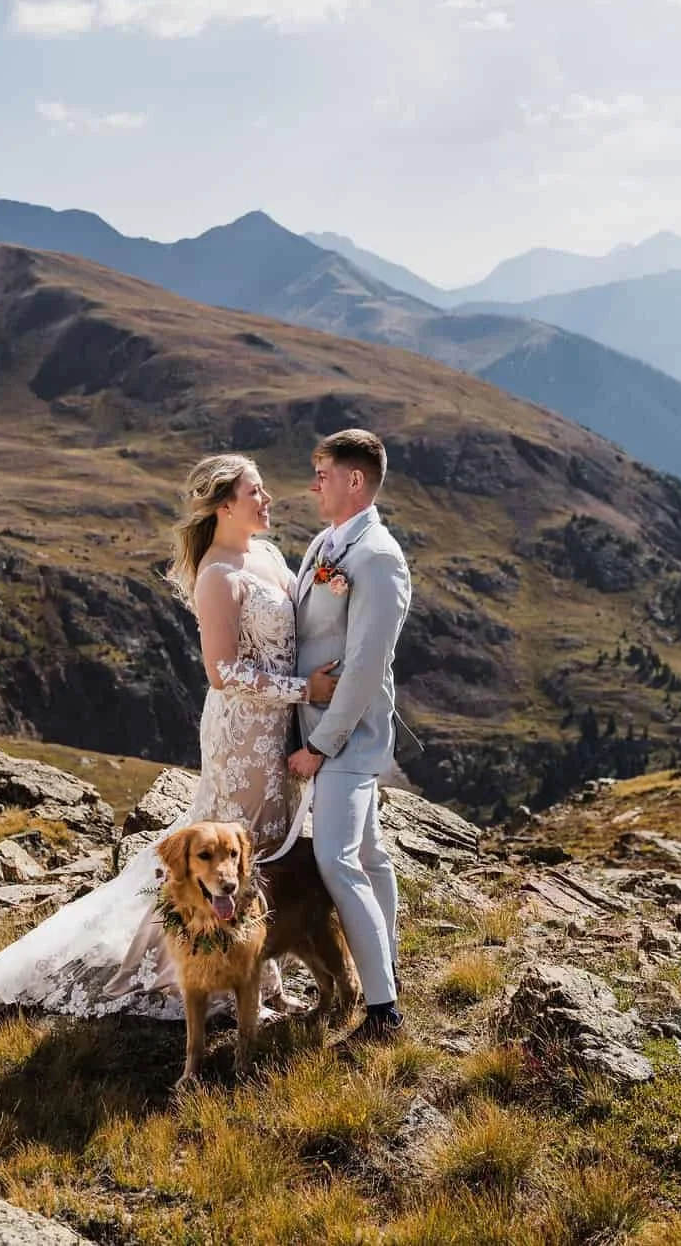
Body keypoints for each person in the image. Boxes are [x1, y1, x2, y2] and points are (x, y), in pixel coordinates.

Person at [0, 454, 337, 1022]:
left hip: (280, 727)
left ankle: (256, 978)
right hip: (243, 736)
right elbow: (223, 672)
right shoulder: (218, 575)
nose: (268, 498)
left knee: (264, 854)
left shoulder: (268, 555)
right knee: (236, 857)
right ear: (225, 505)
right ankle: (213, 980)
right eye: (256, 490)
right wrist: (305, 688)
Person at [287, 428, 412, 1040]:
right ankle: (390, 968)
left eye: (323, 475)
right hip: (317, 722)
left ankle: (383, 1010)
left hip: (346, 735)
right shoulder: (327, 542)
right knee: (368, 854)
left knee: (337, 860)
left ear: (355, 480)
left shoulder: (379, 557)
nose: (314, 486)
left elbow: (365, 665)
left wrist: (319, 745)